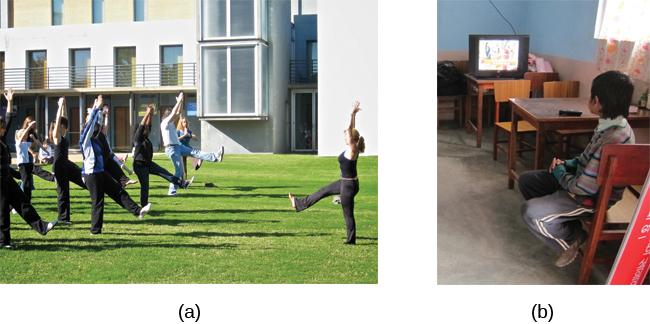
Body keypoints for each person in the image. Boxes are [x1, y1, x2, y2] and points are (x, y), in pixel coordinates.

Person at [519, 70, 636, 267]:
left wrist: (560, 172)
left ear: (597, 101)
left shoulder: (613, 138)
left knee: (530, 212)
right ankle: (564, 222)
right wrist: (568, 164)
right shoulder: (611, 125)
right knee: (528, 181)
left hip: (593, 197)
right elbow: (586, 160)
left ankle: (571, 239)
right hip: (586, 182)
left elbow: (583, 189)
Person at [288, 101, 365, 244]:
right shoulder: (351, 148)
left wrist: (351, 116)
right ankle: (298, 203)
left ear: (351, 139)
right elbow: (351, 129)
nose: (344, 136)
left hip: (349, 186)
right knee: (322, 191)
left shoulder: (353, 149)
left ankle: (351, 240)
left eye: (346, 135)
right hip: (345, 183)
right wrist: (353, 116)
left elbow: (350, 128)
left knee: (348, 214)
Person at [80, 95, 151, 235]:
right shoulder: (85, 139)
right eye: (93, 125)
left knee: (118, 191)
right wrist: (96, 108)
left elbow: (99, 125)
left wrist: (101, 111)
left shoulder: (96, 139)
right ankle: (95, 231)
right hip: (91, 175)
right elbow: (90, 126)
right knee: (98, 202)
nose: (96, 127)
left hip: (100, 172)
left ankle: (138, 211)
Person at [1, 89, 57, 249]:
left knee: (23, 201)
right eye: (2, 127)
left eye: (4, 127)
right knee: (3, 210)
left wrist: (10, 101)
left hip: (6, 176)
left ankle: (42, 226)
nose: (5, 129)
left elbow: (9, 119)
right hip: (1, 179)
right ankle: (4, 241)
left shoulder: (2, 138)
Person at [161, 92, 223, 196]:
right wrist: (179, 101)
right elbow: (174, 113)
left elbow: (178, 112)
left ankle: (215, 157)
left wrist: (180, 102)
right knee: (179, 172)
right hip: (171, 149)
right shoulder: (165, 122)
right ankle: (172, 191)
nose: (175, 116)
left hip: (178, 146)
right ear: (167, 115)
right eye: (171, 114)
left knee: (196, 152)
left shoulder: (170, 122)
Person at [133, 104, 193, 206]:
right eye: (145, 128)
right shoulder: (138, 137)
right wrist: (147, 113)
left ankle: (182, 183)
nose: (148, 129)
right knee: (145, 186)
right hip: (140, 165)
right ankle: (143, 206)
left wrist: (151, 115)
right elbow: (143, 125)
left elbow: (148, 125)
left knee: (165, 173)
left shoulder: (145, 137)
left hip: (148, 163)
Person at [52, 97, 87, 225]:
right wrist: (59, 106)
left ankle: (95, 188)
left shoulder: (63, 134)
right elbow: (58, 121)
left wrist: (64, 105)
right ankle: (63, 218)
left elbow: (64, 118)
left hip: (65, 164)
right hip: (59, 167)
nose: (65, 126)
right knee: (63, 192)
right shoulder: (56, 137)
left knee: (74, 184)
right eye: (62, 125)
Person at [98, 105, 136, 188]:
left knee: (116, 166)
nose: (104, 128)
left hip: (108, 153)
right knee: (109, 171)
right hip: (102, 156)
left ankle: (124, 181)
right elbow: (101, 124)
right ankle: (124, 179)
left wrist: (107, 115)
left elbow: (106, 125)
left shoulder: (103, 134)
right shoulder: (96, 136)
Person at [14, 116, 37, 202]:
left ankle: (27, 200)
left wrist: (34, 139)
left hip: (27, 163)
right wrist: (29, 126)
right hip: (22, 164)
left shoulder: (25, 143)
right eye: (25, 135)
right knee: (25, 182)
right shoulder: (19, 143)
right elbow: (21, 137)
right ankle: (25, 200)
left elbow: (35, 143)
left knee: (26, 181)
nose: (26, 135)